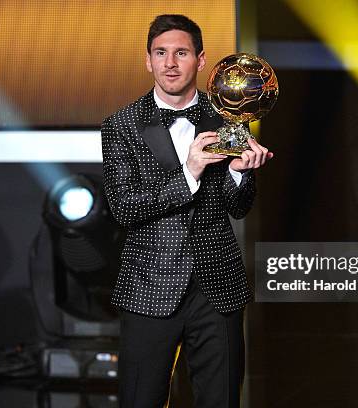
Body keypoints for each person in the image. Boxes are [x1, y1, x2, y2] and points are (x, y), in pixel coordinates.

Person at [101, 14, 273, 408]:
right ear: (148, 61)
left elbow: (240, 208)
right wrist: (190, 171)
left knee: (222, 399)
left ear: (200, 60)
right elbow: (124, 207)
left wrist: (238, 175)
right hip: (150, 285)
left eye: (181, 53)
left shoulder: (228, 119)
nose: (170, 63)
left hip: (218, 287)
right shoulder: (122, 125)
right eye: (160, 53)